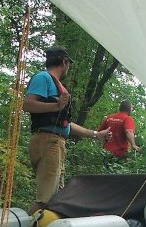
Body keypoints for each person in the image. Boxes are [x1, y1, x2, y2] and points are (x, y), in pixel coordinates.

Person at [23, 46, 111, 216]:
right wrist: (56, 105)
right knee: (46, 199)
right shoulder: (43, 77)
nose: (68, 68)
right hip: (48, 141)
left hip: (56, 141)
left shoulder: (59, 87)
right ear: (64, 62)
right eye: (68, 64)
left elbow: (66, 125)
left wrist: (96, 134)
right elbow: (27, 104)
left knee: (56, 198)